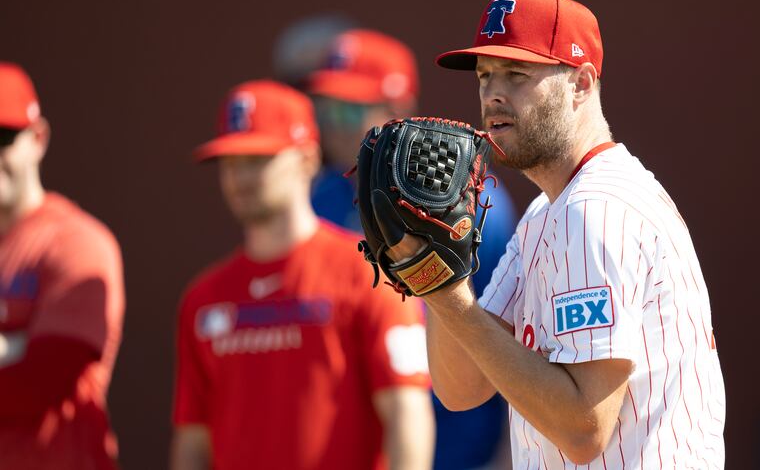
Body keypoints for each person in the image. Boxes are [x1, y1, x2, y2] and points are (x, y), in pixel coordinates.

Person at [383, 0, 726, 468]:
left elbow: (583, 429)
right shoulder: (545, 213)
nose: (493, 94)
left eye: (517, 74)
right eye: (485, 76)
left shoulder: (597, 210)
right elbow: (462, 388)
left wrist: (449, 300)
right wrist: (441, 276)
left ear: (581, 84)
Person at [170, 80, 434, 470]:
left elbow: (407, 415)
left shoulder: (370, 275)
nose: (240, 178)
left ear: (308, 159)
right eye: (230, 162)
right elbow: (193, 440)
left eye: (258, 159)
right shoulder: (203, 297)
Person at [306, 28, 515, 469]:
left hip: (460, 455)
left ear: (397, 109)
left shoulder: (475, 207)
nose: (333, 127)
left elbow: (514, 341)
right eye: (326, 111)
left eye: (349, 111)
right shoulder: (316, 201)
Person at [0, 62, 125, 469]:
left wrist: (24, 352)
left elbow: (43, 379)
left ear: (37, 139)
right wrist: (14, 345)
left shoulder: (76, 242)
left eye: (3, 137)